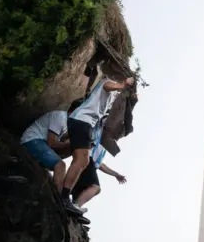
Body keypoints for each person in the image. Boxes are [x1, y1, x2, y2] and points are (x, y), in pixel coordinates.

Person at [60, 74, 134, 215]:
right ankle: (64, 198)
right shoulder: (107, 83)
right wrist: (124, 84)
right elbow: (109, 85)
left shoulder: (110, 100)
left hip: (84, 123)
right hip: (83, 121)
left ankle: (67, 198)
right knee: (82, 161)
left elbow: (119, 117)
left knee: (82, 161)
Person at [71, 114, 127, 214]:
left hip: (89, 163)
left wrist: (115, 174)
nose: (119, 136)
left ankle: (73, 208)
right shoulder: (101, 129)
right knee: (95, 187)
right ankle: (76, 206)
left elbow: (99, 164)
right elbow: (105, 118)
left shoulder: (105, 147)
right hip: (86, 157)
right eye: (118, 133)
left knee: (81, 191)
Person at [20, 100, 81, 190]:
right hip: (32, 140)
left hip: (40, 142)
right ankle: (60, 197)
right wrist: (66, 144)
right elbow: (51, 142)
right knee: (60, 165)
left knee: (67, 155)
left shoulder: (67, 123)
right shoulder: (60, 117)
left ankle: (59, 191)